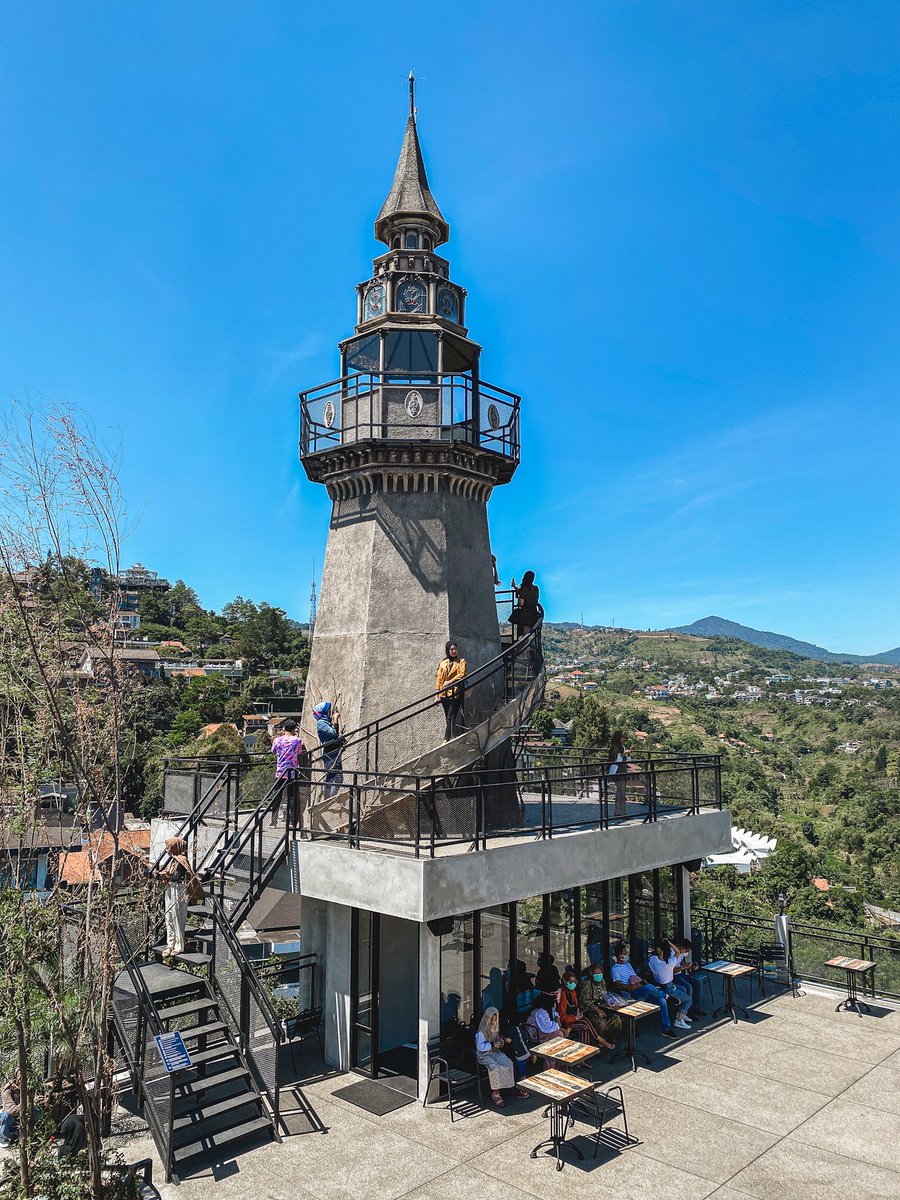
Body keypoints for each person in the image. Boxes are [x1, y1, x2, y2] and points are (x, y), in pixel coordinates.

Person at [610, 942, 679, 1038]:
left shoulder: (628, 965)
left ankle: (666, 1029)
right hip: (633, 992)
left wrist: (640, 983)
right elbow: (618, 985)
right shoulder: (615, 969)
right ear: (619, 955)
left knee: (661, 1000)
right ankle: (667, 996)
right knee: (649, 987)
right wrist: (631, 986)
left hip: (640, 988)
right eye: (625, 954)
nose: (627, 955)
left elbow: (636, 977)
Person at [475, 1009, 527, 1107]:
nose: (493, 1022)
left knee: (508, 1063)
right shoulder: (481, 1033)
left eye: (495, 1019)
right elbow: (480, 1047)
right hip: (484, 1055)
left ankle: (510, 1088)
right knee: (495, 1067)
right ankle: (496, 1093)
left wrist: (500, 1042)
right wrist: (492, 1044)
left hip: (495, 1052)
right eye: (491, 1019)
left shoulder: (496, 1029)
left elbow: (498, 1039)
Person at [558, 967, 617, 1049]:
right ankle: (601, 1041)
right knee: (585, 1024)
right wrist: (573, 1020)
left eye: (575, 981)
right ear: (565, 982)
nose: (573, 984)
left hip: (574, 1019)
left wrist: (578, 1014)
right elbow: (562, 1016)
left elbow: (576, 1007)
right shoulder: (562, 995)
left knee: (585, 1027)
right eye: (570, 982)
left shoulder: (572, 992)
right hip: (566, 1022)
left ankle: (582, 1056)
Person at [576, 963, 625, 1046]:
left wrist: (611, 1001)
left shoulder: (602, 981)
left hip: (603, 1007)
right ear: (591, 973)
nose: (599, 975)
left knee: (616, 1020)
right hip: (590, 1010)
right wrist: (597, 1009)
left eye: (600, 973)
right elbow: (584, 1001)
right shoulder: (586, 983)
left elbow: (604, 995)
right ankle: (600, 1044)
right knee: (601, 1024)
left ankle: (611, 1040)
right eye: (596, 973)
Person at [160, 836, 193, 959]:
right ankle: (170, 943)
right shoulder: (172, 860)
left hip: (178, 889)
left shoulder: (181, 860)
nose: (167, 850)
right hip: (170, 887)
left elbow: (179, 875)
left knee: (177, 917)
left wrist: (167, 875)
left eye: (169, 847)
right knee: (169, 916)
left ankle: (178, 945)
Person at [647, 939, 694, 1027]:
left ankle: (681, 1013)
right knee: (688, 1000)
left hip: (659, 985)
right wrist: (669, 942)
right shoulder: (669, 964)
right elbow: (677, 952)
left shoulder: (653, 960)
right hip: (669, 988)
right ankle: (679, 1020)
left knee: (683, 989)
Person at [270, 719, 306, 825]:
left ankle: (273, 821)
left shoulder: (277, 740)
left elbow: (273, 751)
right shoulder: (297, 740)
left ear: (284, 728)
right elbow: (299, 752)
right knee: (292, 797)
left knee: (277, 796)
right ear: (294, 729)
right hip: (292, 771)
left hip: (280, 771)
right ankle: (292, 821)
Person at [435, 641, 467, 741]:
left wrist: (450, 682)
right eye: (451, 649)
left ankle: (446, 739)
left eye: (455, 649)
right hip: (444, 694)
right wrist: (437, 695)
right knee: (448, 718)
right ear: (448, 650)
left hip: (455, 693)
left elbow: (462, 674)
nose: (454, 651)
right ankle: (452, 736)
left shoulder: (461, 662)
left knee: (450, 716)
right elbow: (439, 679)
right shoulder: (443, 663)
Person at [313, 702, 344, 799]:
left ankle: (331, 797)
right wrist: (335, 719)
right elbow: (333, 733)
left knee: (339, 778)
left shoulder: (326, 722)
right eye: (329, 711)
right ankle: (327, 799)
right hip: (330, 752)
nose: (330, 713)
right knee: (331, 777)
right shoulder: (321, 723)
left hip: (335, 751)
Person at [672, 937, 706, 1016]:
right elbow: (671, 970)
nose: (686, 953)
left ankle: (696, 1007)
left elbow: (681, 962)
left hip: (680, 974)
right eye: (687, 951)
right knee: (688, 986)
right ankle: (688, 1010)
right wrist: (683, 968)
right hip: (673, 976)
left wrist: (688, 965)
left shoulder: (680, 953)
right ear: (682, 947)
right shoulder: (672, 954)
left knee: (697, 983)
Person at [607, 730, 632, 819]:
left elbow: (628, 760)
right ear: (619, 738)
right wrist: (624, 753)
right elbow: (616, 760)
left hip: (623, 770)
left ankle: (621, 812)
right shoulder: (614, 748)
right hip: (617, 771)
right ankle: (620, 813)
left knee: (622, 792)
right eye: (623, 737)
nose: (624, 739)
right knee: (620, 792)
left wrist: (628, 754)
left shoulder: (622, 747)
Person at [510, 571, 540, 639]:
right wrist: (515, 587)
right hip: (533, 613)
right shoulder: (536, 588)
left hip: (525, 615)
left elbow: (521, 603)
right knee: (526, 635)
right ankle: (523, 647)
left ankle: (522, 648)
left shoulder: (524, 589)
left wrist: (519, 595)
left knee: (524, 636)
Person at [0, 1070, 20, 1147]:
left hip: (20, 1115)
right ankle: (3, 1135)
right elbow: (11, 1110)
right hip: (12, 1115)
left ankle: (19, 1133)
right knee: (6, 1116)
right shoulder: (8, 1089)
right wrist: (27, 1105)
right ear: (16, 1077)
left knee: (37, 1111)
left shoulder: (29, 1087)